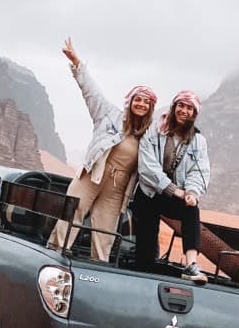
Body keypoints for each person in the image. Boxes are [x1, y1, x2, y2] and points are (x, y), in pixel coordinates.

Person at [48, 38, 157, 261]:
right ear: (130, 101)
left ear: (150, 108)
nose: (141, 104)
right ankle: (54, 253)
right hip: (93, 173)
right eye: (138, 99)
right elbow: (91, 93)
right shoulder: (109, 114)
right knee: (73, 212)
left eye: (146, 102)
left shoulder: (149, 137)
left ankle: (99, 265)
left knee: (106, 227)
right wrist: (77, 63)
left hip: (118, 187)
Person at [133, 90, 210, 282]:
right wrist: (174, 190)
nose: (184, 110)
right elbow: (147, 167)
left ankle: (191, 264)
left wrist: (192, 192)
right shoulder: (154, 130)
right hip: (149, 193)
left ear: (194, 113)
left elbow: (199, 170)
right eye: (181, 105)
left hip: (178, 195)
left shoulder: (198, 141)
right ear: (174, 107)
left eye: (189, 107)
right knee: (146, 252)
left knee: (192, 210)